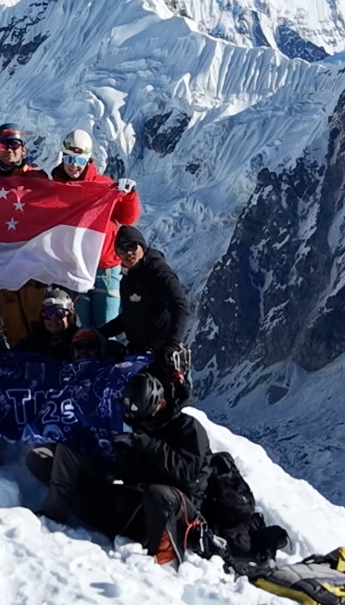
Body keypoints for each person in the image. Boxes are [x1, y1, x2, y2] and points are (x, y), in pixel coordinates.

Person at [29, 370, 210, 566]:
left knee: (159, 495)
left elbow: (189, 474)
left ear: (160, 405)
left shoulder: (188, 428)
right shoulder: (141, 425)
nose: (140, 423)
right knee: (75, 482)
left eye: (144, 418)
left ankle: (165, 561)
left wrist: (147, 445)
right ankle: (55, 513)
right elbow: (132, 473)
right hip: (138, 500)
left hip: (176, 510)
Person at [51, 128, 139, 330]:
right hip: (72, 267)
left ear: (88, 160)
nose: (74, 166)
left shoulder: (103, 186)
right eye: (69, 158)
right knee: (80, 329)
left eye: (80, 160)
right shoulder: (54, 189)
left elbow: (127, 218)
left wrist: (129, 195)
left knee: (107, 327)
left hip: (104, 267)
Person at [100, 225, 194, 399]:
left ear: (141, 246)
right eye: (122, 248)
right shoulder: (128, 278)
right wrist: (99, 333)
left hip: (163, 358)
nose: (128, 252)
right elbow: (129, 317)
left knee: (171, 409)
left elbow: (181, 306)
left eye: (132, 246)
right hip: (139, 358)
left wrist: (172, 345)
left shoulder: (159, 273)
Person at [0, 123, 55, 346]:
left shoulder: (39, 179)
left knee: (40, 320)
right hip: (2, 261)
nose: (9, 149)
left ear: (24, 149)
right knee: (12, 322)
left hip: (33, 263)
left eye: (15, 144)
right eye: (4, 145)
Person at [22, 286, 105, 361]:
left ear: (70, 316)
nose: (53, 319)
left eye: (59, 314)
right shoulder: (34, 340)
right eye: (48, 314)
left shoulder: (80, 341)